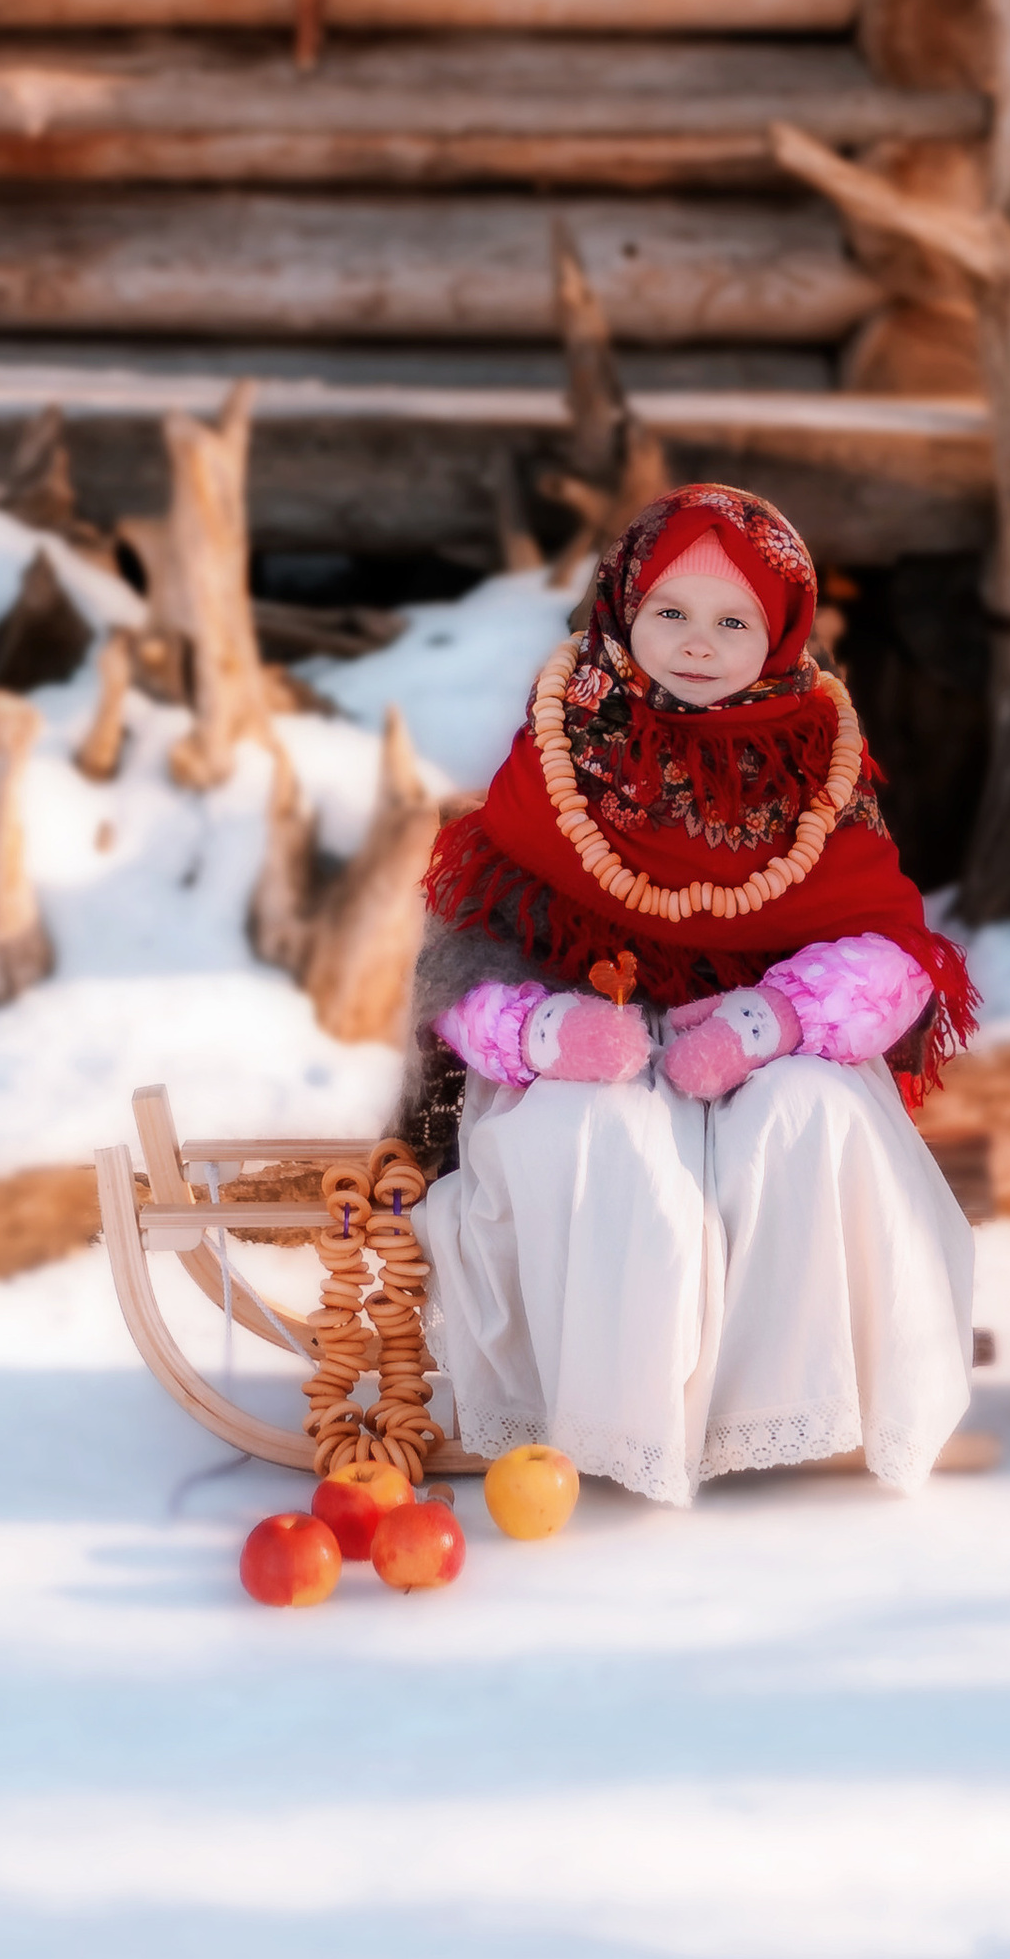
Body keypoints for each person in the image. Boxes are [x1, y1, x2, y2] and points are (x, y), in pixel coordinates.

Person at [411, 486, 980, 1507]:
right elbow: (460, 956)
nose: (698, 644)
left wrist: (772, 1018)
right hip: (593, 1039)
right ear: (624, 607)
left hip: (761, 1043)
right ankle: (607, 1412)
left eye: (733, 621)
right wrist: (544, 1029)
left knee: (809, 1117)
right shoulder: (565, 747)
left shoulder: (814, 759)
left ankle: (788, 1401)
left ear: (779, 634)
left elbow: (891, 953)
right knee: (598, 1142)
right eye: (671, 611)